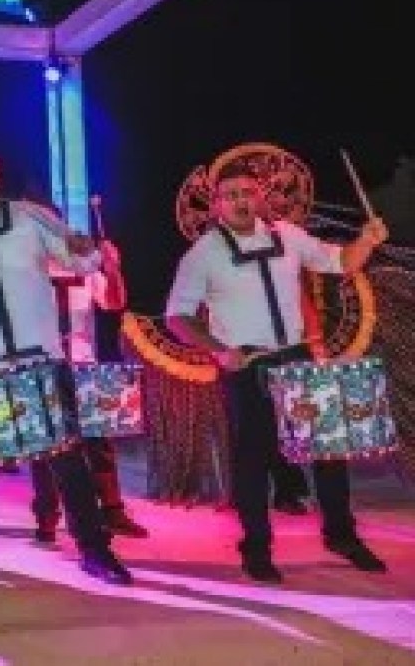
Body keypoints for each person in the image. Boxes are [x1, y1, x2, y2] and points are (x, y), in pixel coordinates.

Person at [0, 149, 133, 591]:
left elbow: (79, 261)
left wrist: (92, 254)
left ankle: (95, 550)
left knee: (67, 458)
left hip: (38, 357)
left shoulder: (29, 219)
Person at [166, 159, 389, 582]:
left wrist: (368, 241)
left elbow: (340, 262)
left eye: (247, 192)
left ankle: (342, 536)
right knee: (253, 461)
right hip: (249, 366)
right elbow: (177, 317)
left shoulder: (287, 235)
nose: (240, 201)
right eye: (230, 195)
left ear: (260, 197)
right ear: (215, 207)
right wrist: (219, 351)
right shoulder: (204, 254)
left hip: (297, 358)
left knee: (328, 451)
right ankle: (256, 548)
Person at [29, 229, 149, 541]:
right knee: (46, 445)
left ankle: (112, 511)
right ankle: (47, 516)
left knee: (100, 443)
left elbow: (114, 302)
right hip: (44, 364)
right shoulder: (26, 270)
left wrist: (112, 269)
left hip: (84, 359)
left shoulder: (82, 266)